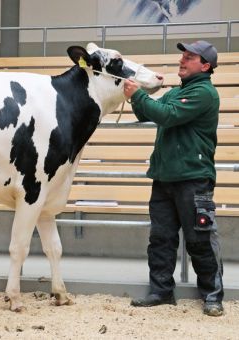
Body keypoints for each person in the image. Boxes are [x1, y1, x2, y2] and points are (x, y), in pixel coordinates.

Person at [123, 40, 224, 316]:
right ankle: (161, 291)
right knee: (161, 239)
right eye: (183, 56)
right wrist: (137, 94)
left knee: (199, 240)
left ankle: (213, 296)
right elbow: (148, 112)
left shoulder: (204, 93)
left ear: (205, 66)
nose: (183, 60)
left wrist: (139, 96)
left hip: (193, 179)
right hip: (165, 178)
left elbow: (166, 116)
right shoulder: (177, 92)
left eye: (190, 57)